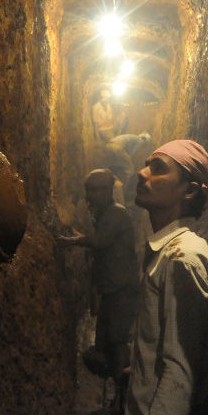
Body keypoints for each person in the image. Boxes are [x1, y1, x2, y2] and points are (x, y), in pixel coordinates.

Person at [117, 139, 208, 415]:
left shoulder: (183, 258)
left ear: (190, 190)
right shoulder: (166, 251)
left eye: (158, 167)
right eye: (146, 165)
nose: (142, 174)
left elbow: (182, 371)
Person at [58, 169, 138, 396]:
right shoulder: (107, 214)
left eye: (94, 190)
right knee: (108, 342)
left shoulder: (115, 213)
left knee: (116, 340)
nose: (89, 196)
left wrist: (72, 241)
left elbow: (100, 242)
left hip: (121, 291)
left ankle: (123, 392)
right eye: (88, 190)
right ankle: (116, 390)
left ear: (106, 191)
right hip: (113, 290)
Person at [105, 133, 152, 199]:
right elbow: (131, 153)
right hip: (118, 148)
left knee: (114, 169)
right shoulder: (140, 141)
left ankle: (110, 190)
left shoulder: (133, 137)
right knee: (130, 170)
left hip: (109, 146)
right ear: (146, 141)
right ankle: (123, 192)